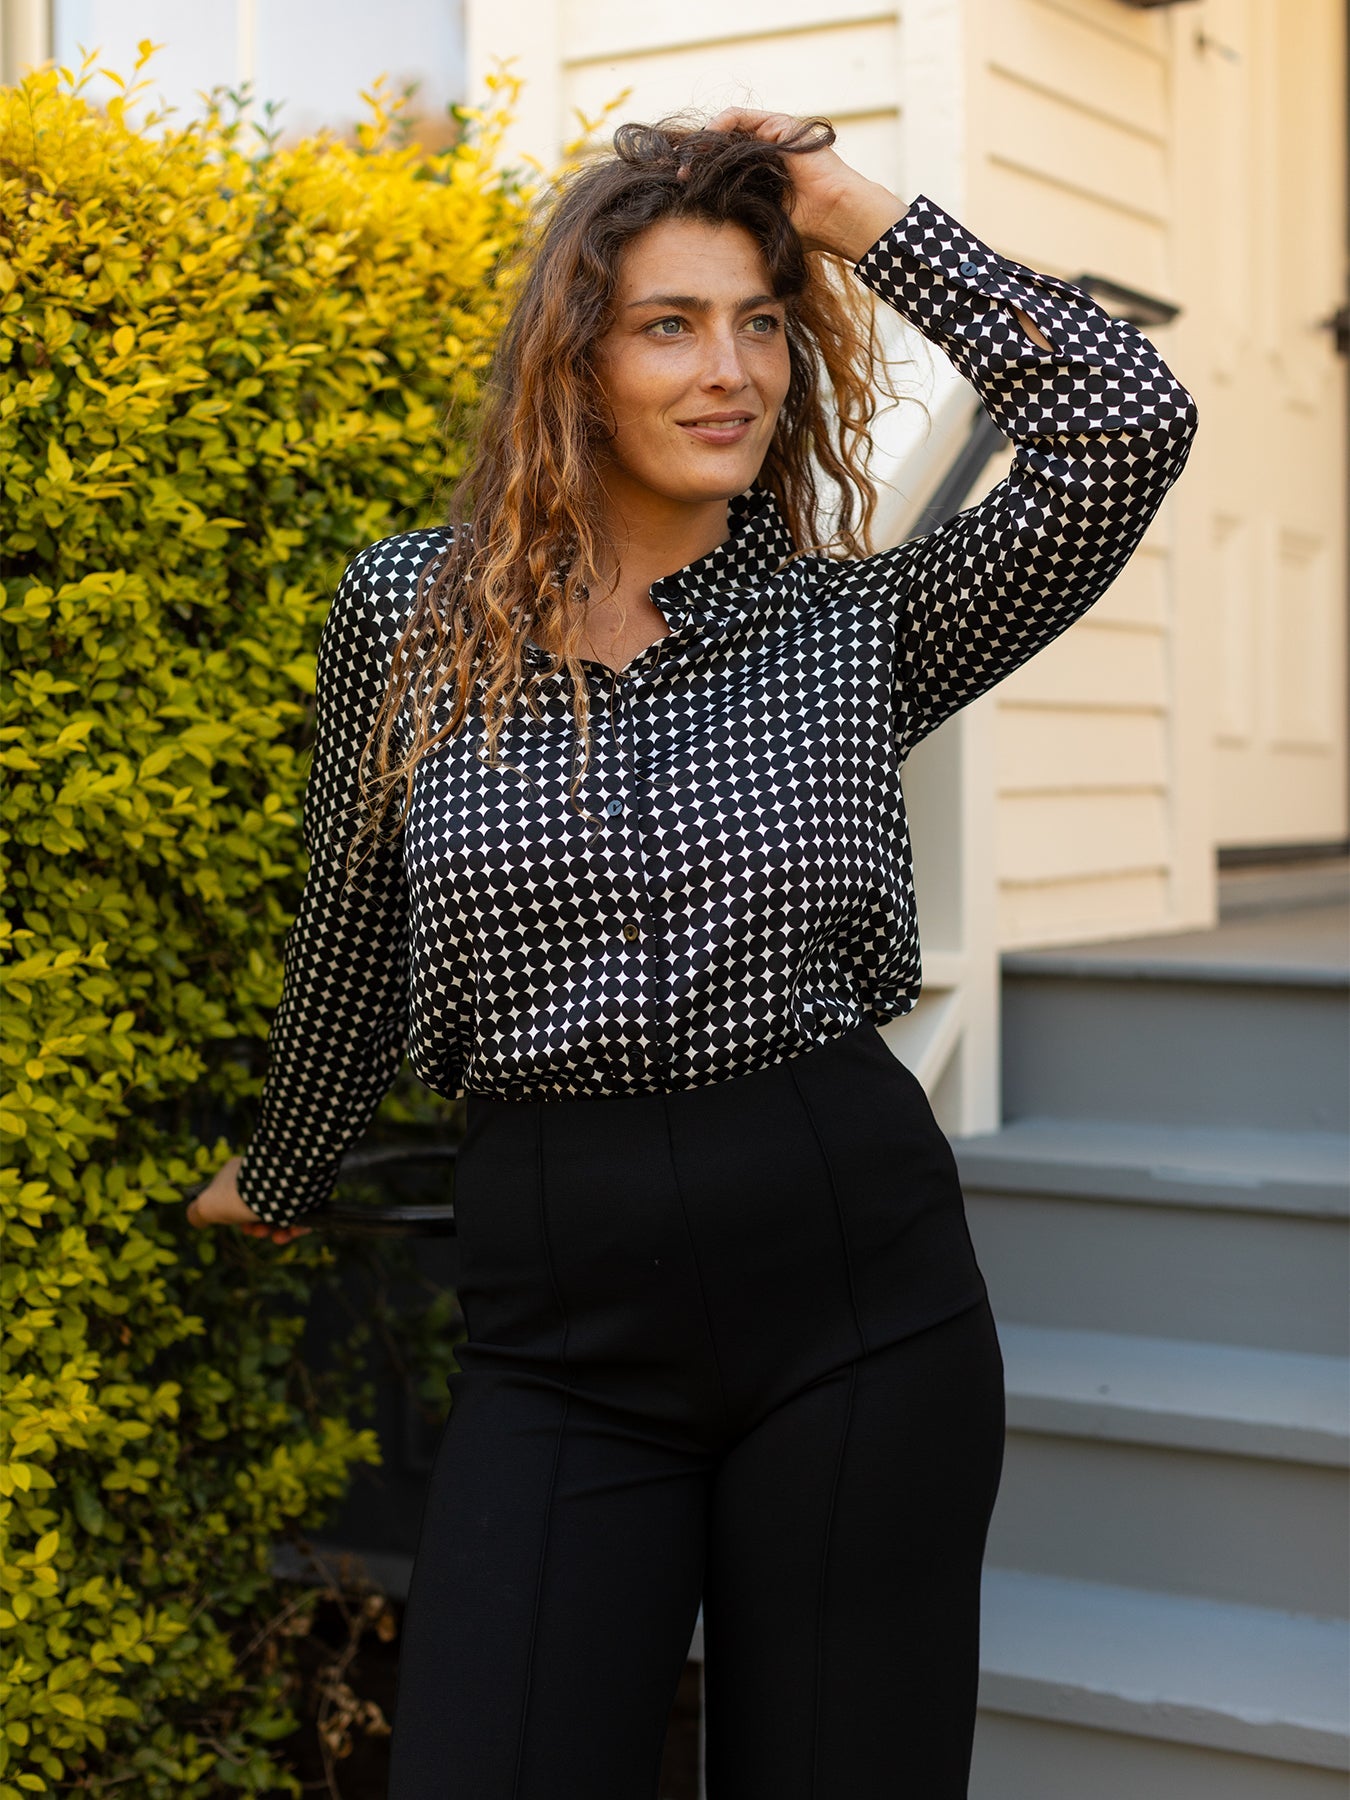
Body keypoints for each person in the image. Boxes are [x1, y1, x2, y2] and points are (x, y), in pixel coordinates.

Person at [189, 107, 1197, 1798]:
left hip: (855, 1293)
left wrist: (846, 208)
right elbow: (354, 918)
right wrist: (287, 1167)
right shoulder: (410, 615)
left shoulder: (853, 623)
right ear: (571, 363)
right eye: (668, 325)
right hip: (557, 1313)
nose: (730, 371)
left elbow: (1121, 421)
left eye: (761, 324)